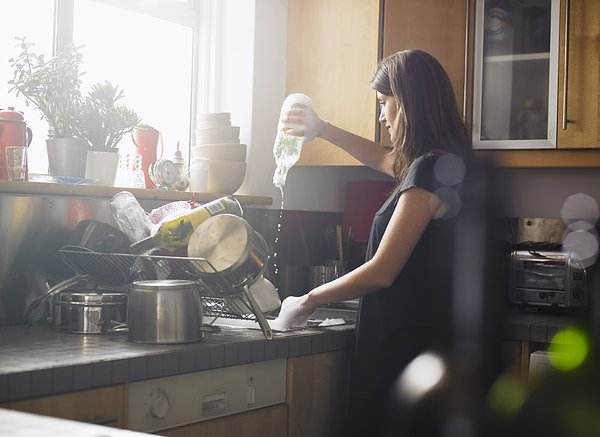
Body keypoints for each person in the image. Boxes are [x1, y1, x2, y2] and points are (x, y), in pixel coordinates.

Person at [275, 49, 474, 436]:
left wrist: (309, 299)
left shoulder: (429, 170)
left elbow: (382, 272)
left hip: (402, 348)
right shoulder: (442, 163)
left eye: (384, 103)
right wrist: (322, 128)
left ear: (409, 102)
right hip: (425, 345)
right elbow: (383, 160)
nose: (381, 116)